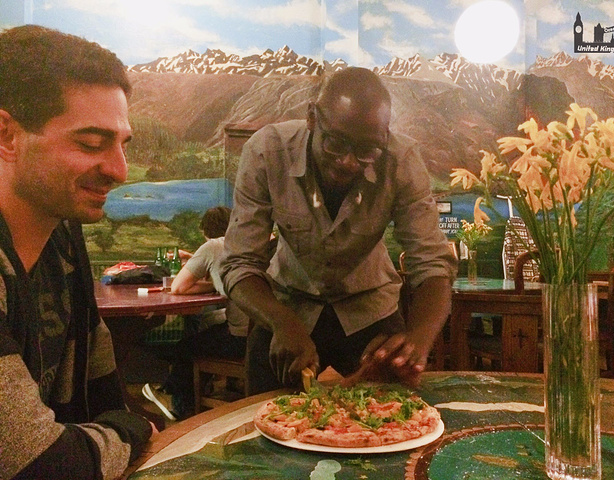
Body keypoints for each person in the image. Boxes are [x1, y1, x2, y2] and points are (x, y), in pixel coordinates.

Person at [220, 67, 457, 395]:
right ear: (312, 117)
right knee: (263, 417)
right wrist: (281, 321)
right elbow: (239, 263)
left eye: (367, 150)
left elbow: (432, 265)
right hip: (286, 310)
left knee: (391, 417)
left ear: (385, 137)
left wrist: (417, 341)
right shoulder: (266, 152)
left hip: (372, 313)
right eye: (335, 142)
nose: (348, 162)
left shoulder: (402, 161)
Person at [0, 25, 153, 479]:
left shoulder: (64, 237)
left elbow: (105, 397)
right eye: (90, 143)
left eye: (122, 144)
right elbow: (41, 465)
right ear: (6, 135)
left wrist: (117, 429)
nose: (119, 171)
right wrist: (129, 431)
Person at [143, 206, 250, 420]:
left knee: (185, 347)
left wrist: (208, 282)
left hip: (241, 339)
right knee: (208, 325)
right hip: (264, 336)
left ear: (206, 232)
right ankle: (205, 390)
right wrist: (212, 282)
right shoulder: (247, 244)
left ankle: (178, 404)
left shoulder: (212, 246)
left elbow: (178, 288)